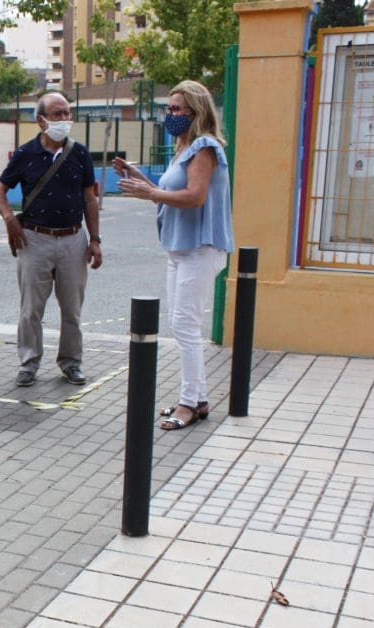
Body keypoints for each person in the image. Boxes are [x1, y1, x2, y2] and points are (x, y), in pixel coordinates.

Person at [114, 80, 234, 430]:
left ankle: (189, 403)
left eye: (177, 109)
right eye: (169, 108)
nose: (170, 115)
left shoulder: (204, 147)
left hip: (200, 247)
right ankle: (197, 399)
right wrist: (141, 180)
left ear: (197, 112)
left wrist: (149, 193)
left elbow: (195, 196)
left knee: (185, 325)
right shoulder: (183, 147)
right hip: (180, 248)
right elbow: (169, 189)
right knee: (182, 324)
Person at [0, 92, 103, 389]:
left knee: (72, 309)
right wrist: (8, 218)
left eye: (67, 113)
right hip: (34, 240)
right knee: (31, 309)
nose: (65, 119)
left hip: (72, 240)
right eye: (57, 114)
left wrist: (95, 240)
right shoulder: (26, 154)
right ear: (41, 120)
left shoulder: (79, 154)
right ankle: (29, 364)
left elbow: (89, 199)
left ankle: (71, 363)